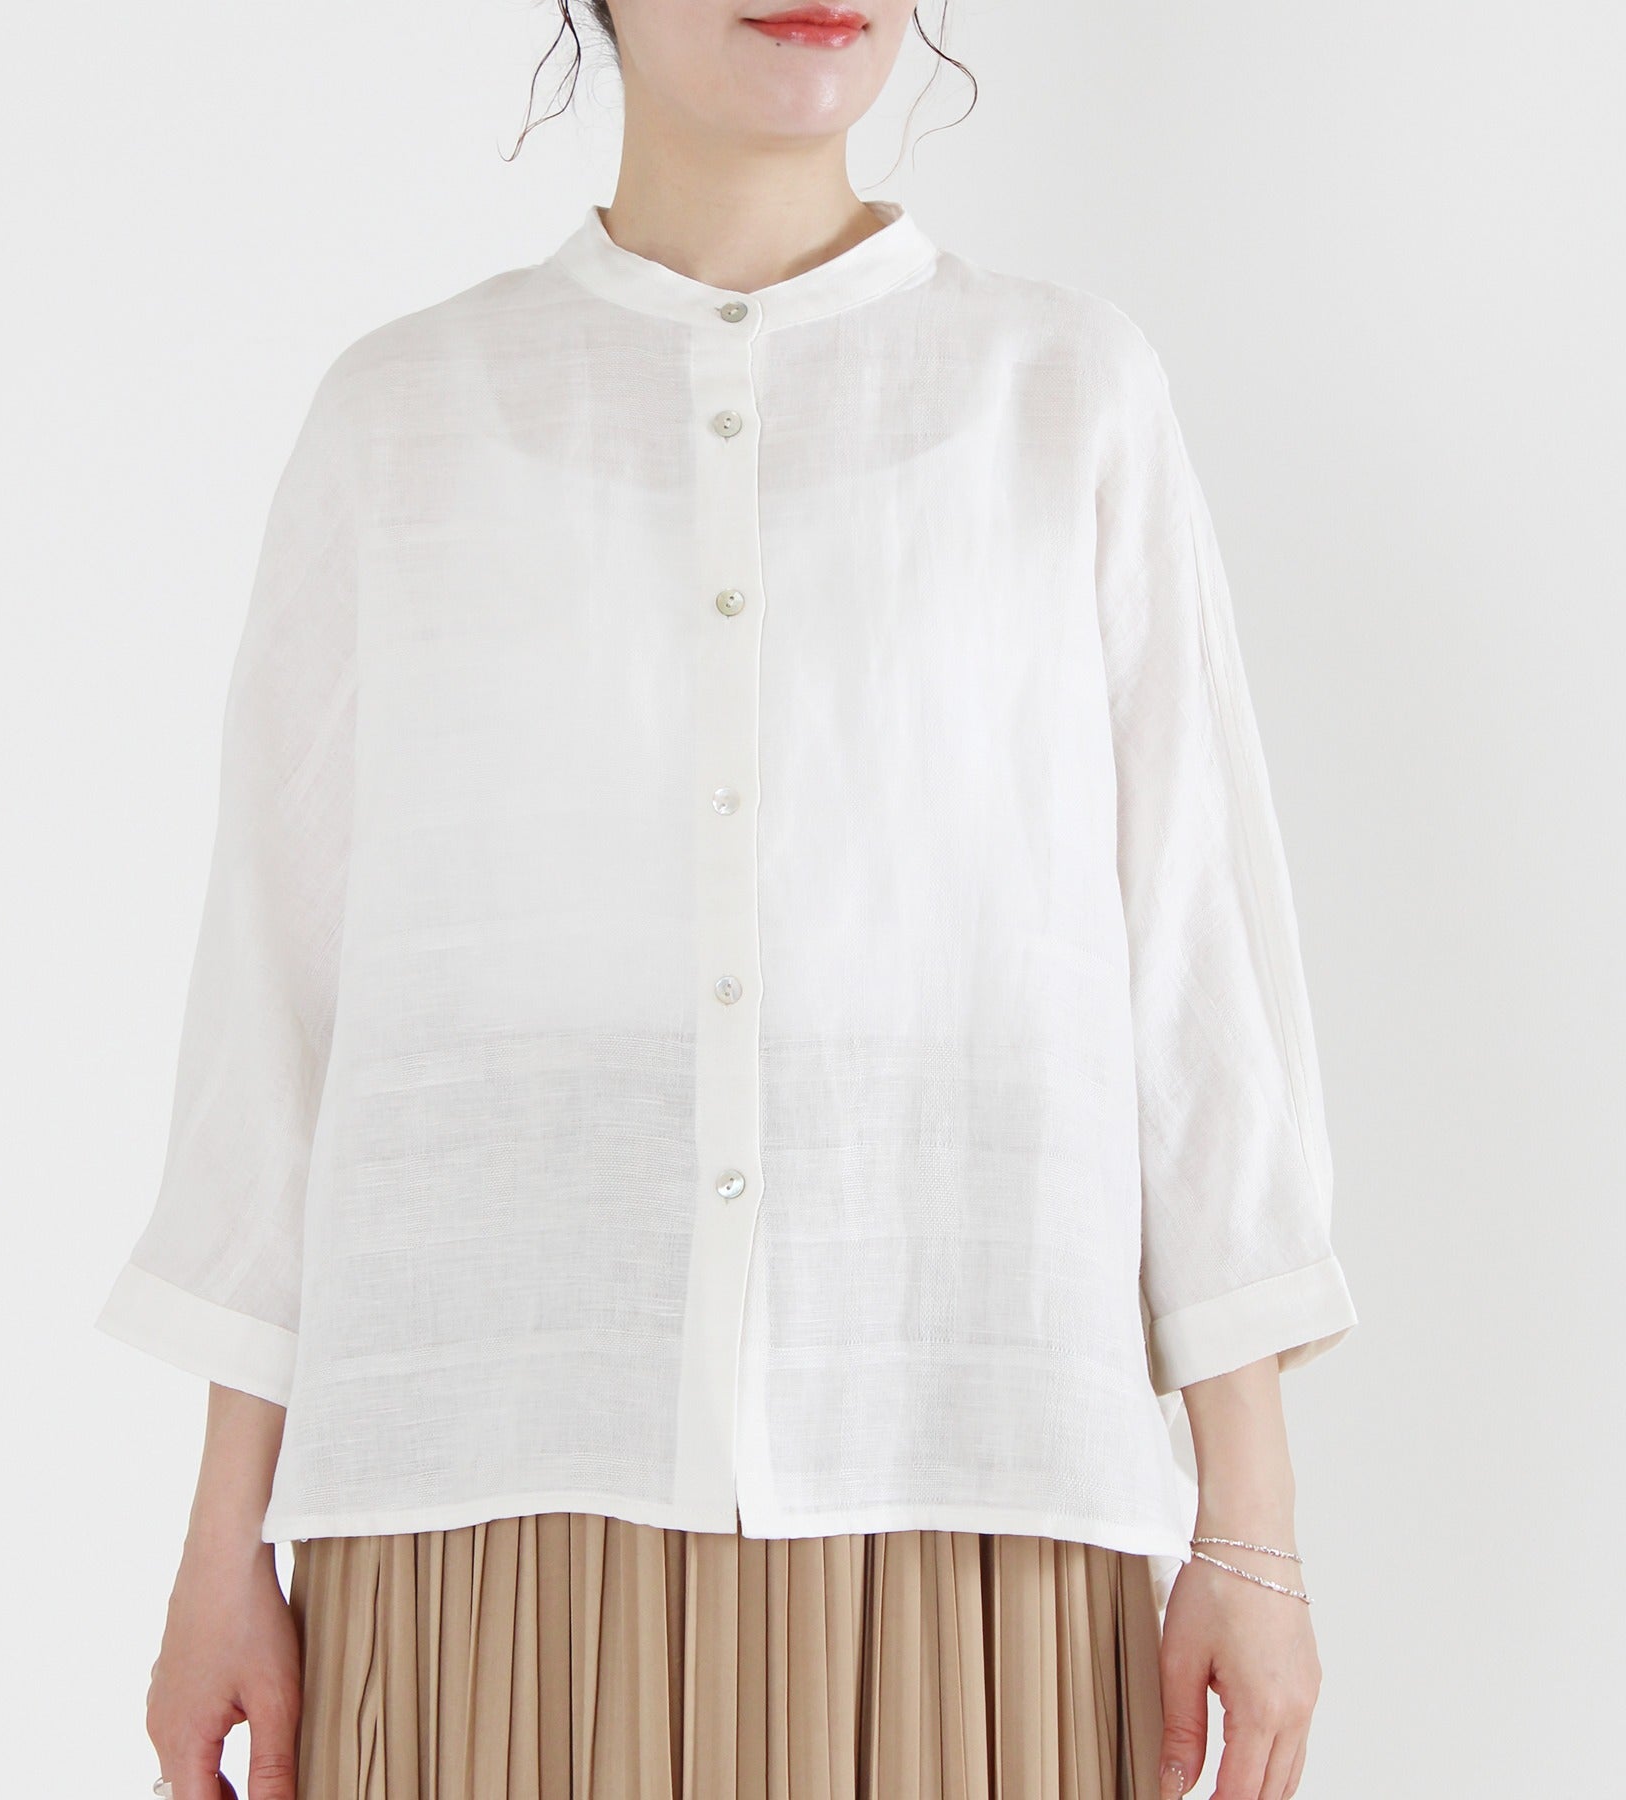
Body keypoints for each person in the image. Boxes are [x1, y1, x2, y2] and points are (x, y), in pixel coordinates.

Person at [98, 4, 1360, 1797]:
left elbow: (1193, 975)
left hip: (975, 1510)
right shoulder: (404, 424)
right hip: (488, 1521)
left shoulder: (1064, 395)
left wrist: (1255, 1528)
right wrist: (220, 1541)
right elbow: (284, 1006)